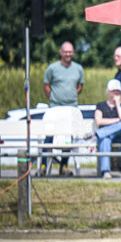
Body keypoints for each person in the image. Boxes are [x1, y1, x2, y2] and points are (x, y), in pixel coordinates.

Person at [42, 41, 85, 176]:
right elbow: (46, 86)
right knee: (49, 135)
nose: (68, 54)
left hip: (71, 107)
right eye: (65, 51)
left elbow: (80, 86)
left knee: (69, 137)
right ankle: (44, 165)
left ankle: (64, 166)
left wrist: (69, 96)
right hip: (55, 108)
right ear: (61, 52)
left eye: (70, 51)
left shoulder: (78, 68)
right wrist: (54, 98)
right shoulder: (52, 68)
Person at [94, 79, 121, 179]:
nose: (116, 93)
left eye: (118, 91)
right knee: (105, 139)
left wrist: (118, 105)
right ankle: (106, 171)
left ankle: (98, 133)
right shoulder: (101, 105)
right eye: (113, 91)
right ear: (108, 91)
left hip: (120, 135)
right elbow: (99, 121)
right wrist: (116, 120)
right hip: (106, 135)